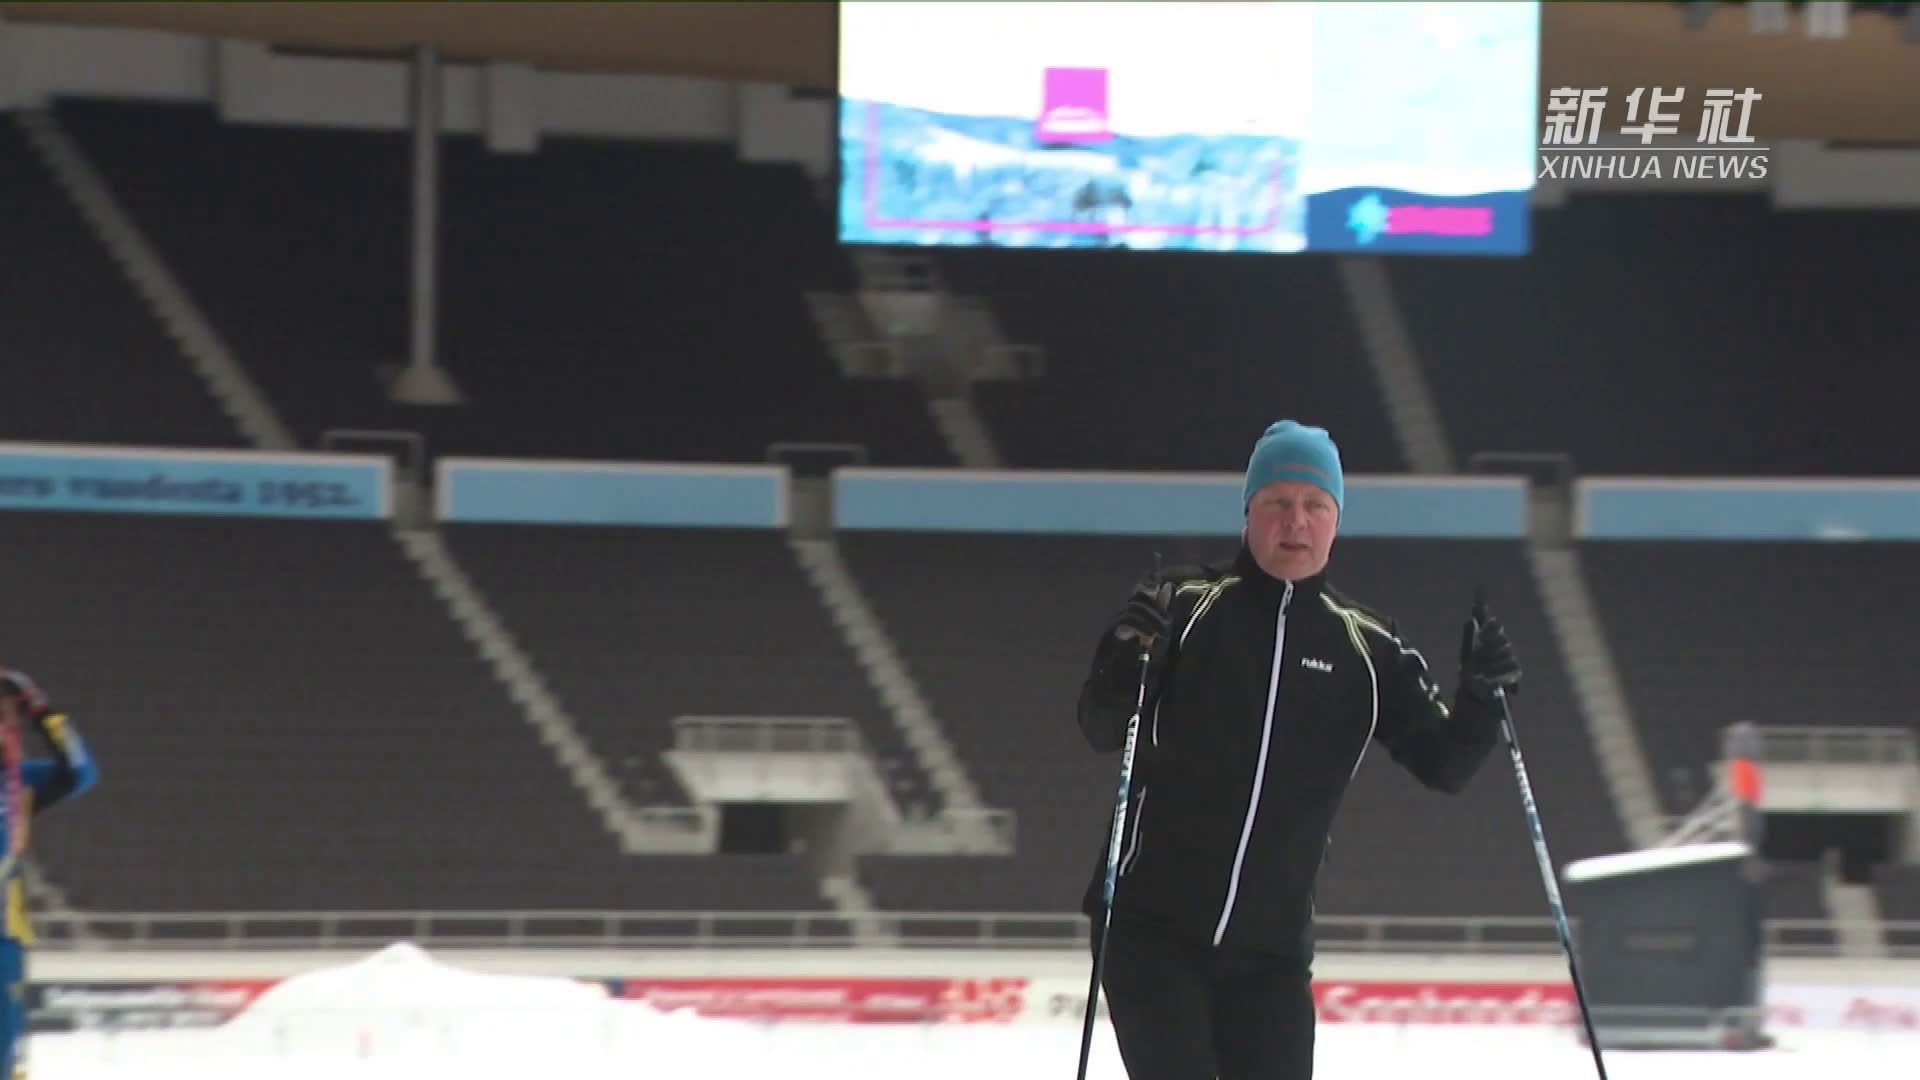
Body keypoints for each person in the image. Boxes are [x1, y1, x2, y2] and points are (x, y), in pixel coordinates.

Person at [1075, 420, 1521, 1080]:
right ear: (1248, 511)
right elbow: (1100, 725)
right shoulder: (1184, 610)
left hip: (1271, 957)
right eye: (1277, 502)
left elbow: (1446, 764)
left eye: (1315, 505)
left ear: (1336, 521)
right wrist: (1122, 660)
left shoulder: (1367, 650)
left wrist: (1483, 700)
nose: (1296, 521)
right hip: (1149, 934)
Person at [0, 669, 98, 1080]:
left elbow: (80, 773)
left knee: (8, 1057)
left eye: (7, 719)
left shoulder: (19, 784)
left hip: (4, 937)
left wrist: (46, 714)